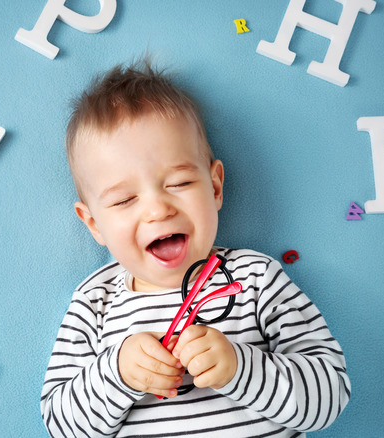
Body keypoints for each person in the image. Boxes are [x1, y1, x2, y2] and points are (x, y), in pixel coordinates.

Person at [41, 57, 350, 437]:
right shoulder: (94, 301)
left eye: (179, 183)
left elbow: (330, 394)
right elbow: (60, 427)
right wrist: (116, 372)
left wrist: (240, 367)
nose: (158, 209)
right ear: (93, 224)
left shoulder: (255, 279)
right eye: (124, 201)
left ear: (215, 187)